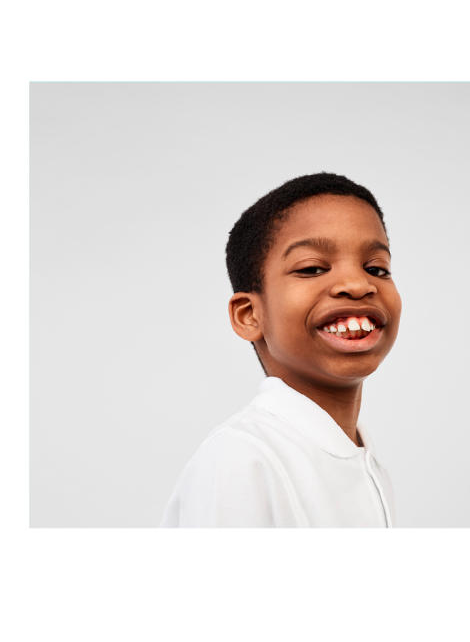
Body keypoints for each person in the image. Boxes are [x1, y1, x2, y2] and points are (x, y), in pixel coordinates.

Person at [162, 173, 403, 527]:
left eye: (376, 268)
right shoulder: (240, 460)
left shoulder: (363, 460)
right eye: (312, 268)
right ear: (249, 315)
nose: (357, 284)